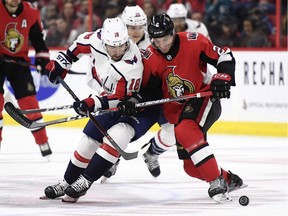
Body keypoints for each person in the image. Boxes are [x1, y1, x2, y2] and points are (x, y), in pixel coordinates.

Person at [117, 14, 245, 203]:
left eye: (166, 38)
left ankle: (215, 180)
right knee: (191, 168)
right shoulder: (150, 57)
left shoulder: (195, 41)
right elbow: (150, 91)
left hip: (203, 98)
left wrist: (223, 77)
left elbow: (224, 56)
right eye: (157, 40)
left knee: (184, 128)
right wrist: (134, 101)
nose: (162, 44)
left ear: (173, 33)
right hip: (177, 111)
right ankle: (228, 179)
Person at [43, 17, 160, 202]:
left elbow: (118, 99)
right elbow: (77, 47)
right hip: (115, 98)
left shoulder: (132, 63)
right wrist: (61, 64)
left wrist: (93, 103)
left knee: (118, 135)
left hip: (140, 105)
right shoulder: (96, 39)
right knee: (88, 140)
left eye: (121, 45)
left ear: (126, 40)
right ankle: (67, 182)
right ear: (103, 40)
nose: (116, 51)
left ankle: (84, 182)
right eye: (112, 46)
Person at [100, 5, 176, 182]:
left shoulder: (155, 41)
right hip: (126, 95)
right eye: (132, 27)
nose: (136, 31)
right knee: (119, 127)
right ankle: (113, 157)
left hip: (156, 94)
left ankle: (151, 153)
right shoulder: (116, 44)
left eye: (140, 26)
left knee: (173, 130)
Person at [0, 0, 51, 157]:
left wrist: (42, 60)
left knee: (30, 104)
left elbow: (38, 40)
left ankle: (43, 142)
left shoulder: (31, 11)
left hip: (19, 62)